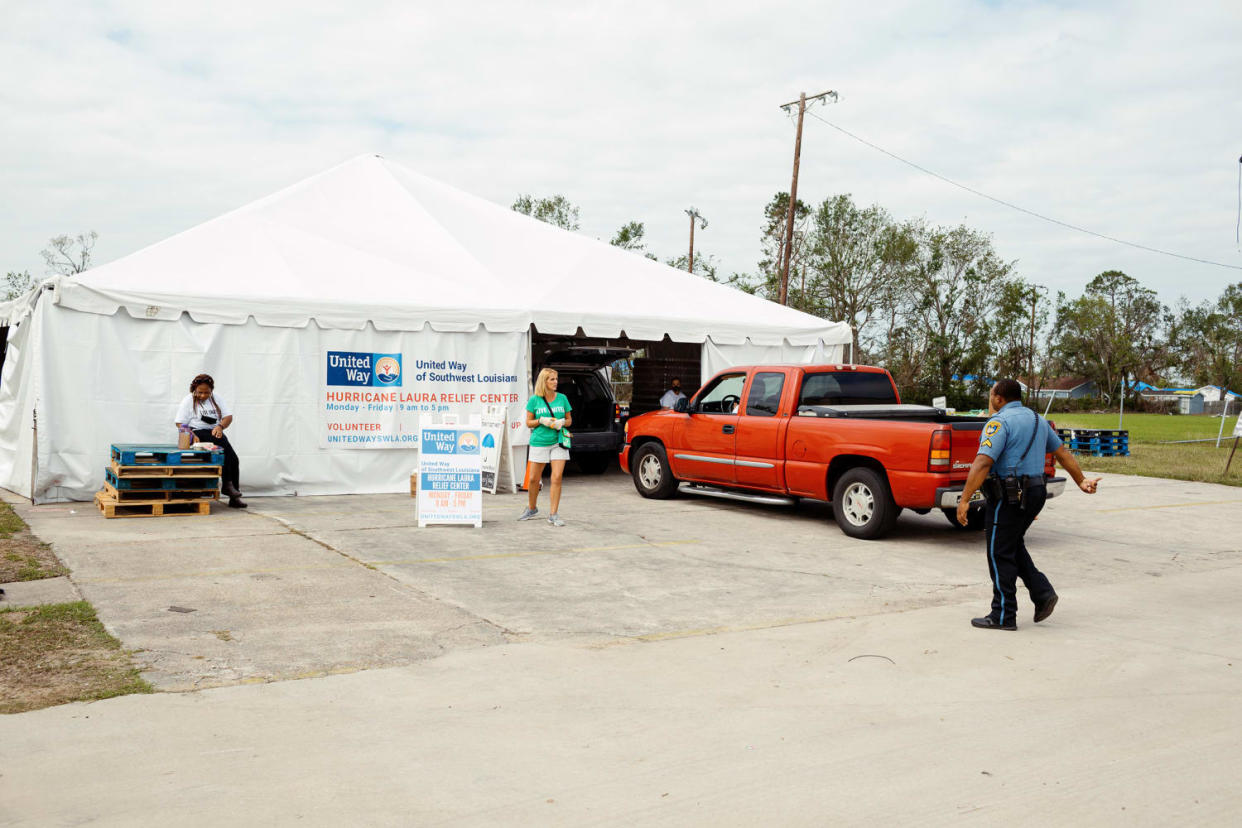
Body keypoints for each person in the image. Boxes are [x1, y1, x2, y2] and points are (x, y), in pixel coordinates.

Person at [956, 379, 1101, 630]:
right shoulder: (1037, 420)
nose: (990, 399)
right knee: (1011, 544)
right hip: (1036, 493)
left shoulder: (998, 423)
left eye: (991, 394)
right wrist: (1081, 481)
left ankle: (1003, 615)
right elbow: (1063, 453)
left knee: (998, 551)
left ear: (999, 398)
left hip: (1010, 495)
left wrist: (965, 499)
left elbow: (982, 463)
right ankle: (1042, 593)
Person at [175, 373, 247, 509]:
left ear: (211, 390)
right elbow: (180, 422)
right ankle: (227, 485)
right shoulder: (188, 401)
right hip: (197, 433)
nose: (203, 395)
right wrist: (190, 434)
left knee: (234, 458)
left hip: (215, 432)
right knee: (222, 446)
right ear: (194, 389)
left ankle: (234, 496)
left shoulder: (216, 398)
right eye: (200, 392)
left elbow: (228, 416)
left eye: (206, 392)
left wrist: (220, 426)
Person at [518, 367, 573, 526]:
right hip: (539, 442)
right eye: (552, 379)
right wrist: (541, 420)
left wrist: (562, 422)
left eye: (556, 379)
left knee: (556, 478)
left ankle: (553, 514)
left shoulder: (562, 398)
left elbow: (569, 420)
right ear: (544, 381)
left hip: (558, 442)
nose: (556, 382)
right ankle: (532, 508)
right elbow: (528, 423)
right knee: (534, 479)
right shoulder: (534, 400)